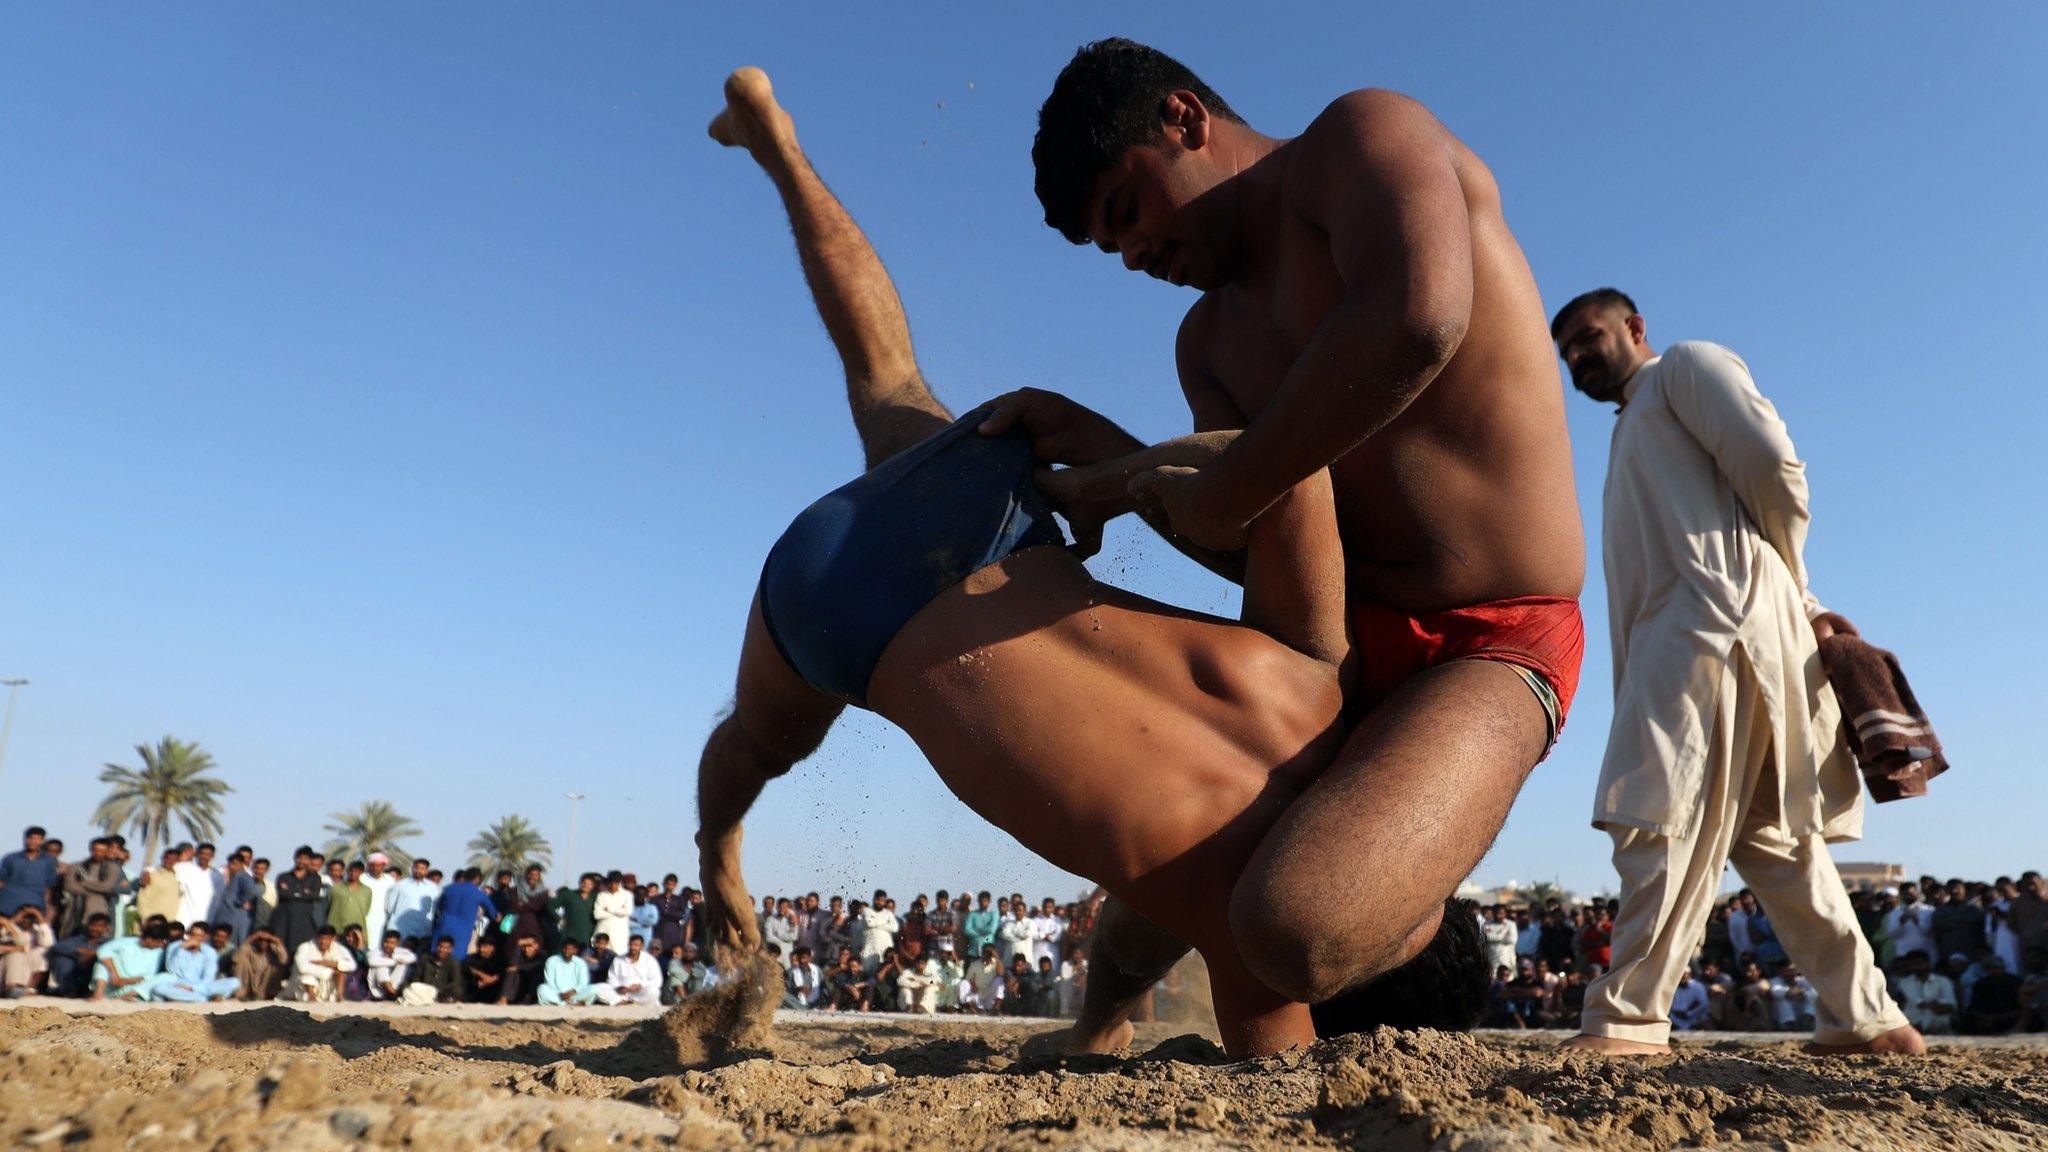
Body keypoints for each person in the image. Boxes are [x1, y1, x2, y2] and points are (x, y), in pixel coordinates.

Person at [695, 66, 1492, 1057]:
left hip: (989, 524)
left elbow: (1271, 475)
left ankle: (780, 148)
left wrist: (1112, 473)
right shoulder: (1264, 961)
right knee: (753, 747)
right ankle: (719, 851)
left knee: (887, 374)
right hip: (846, 613)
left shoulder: (1313, 677)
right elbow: (1283, 1030)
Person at [1020, 39, 1585, 1048]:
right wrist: (1128, 471)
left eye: (1127, 213)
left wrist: (1208, 474)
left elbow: (1415, 322)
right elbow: (1256, 549)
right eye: (1112, 250)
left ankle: (1406, 911)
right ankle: (1099, 1024)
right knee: (1166, 850)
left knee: (1292, 928)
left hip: (1491, 644)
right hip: (1337, 649)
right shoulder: (1207, 341)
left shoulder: (1358, 137)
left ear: (1184, 122)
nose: (1134, 255)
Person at [1552, 288, 1921, 1058]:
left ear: (1636, 327)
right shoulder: (1632, 428)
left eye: (1589, 337)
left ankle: (1627, 1019)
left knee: (1662, 815)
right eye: (1568, 352)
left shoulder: (1684, 367)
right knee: (1779, 846)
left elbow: (1770, 461)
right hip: (1707, 634)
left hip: (1712, 631)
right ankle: (1870, 1020)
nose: (1579, 357)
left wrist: (1788, 584)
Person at [153, 922, 241, 1002]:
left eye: (199, 936)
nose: (194, 938)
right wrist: (181, 949)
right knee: (159, 989)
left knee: (234, 982)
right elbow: (171, 971)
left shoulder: (209, 952)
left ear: (205, 937)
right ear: (188, 934)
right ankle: (202, 999)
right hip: (179, 984)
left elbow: (208, 977)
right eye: (192, 934)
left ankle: (195, 997)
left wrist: (192, 988)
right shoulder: (175, 947)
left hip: (200, 987)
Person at [91, 921, 171, 1001]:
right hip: (110, 982)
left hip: (131, 987)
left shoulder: (159, 953)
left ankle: (124, 998)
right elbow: (102, 951)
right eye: (159, 941)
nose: (161, 944)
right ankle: (98, 994)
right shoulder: (127, 942)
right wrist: (114, 975)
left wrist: (124, 982)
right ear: (149, 939)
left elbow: (148, 976)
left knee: (166, 977)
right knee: (101, 964)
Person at [270, 848, 326, 960]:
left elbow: (314, 895)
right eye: (300, 858)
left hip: (304, 922)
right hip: (284, 921)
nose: (302, 861)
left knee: (301, 952)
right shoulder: (283, 876)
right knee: (281, 954)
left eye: (306, 859)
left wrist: (292, 892)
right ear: (295, 858)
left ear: (310, 860)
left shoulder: (315, 878)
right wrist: (303, 893)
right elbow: (282, 894)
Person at [432, 868, 497, 960]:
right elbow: (495, 915)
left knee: (436, 954)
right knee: (457, 959)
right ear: (477, 879)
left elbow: (438, 908)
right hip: (463, 931)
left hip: (443, 926)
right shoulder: (479, 894)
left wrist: (434, 926)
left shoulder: (448, 889)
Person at [45, 913, 113, 998]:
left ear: (106, 928)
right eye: (92, 925)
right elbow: (55, 948)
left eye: (99, 926)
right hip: (76, 974)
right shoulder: (78, 940)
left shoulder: (109, 943)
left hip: (94, 976)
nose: (95, 928)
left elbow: (113, 955)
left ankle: (95, 992)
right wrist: (77, 952)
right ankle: (70, 991)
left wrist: (93, 954)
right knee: (62, 959)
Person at [1892, 950, 1957, 1035]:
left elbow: (1951, 1005)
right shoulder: (1905, 982)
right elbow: (1918, 1003)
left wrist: (1940, 1006)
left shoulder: (1944, 981)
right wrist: (1937, 1004)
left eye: (1919, 963)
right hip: (1913, 1022)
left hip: (1939, 1023)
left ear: (1928, 963)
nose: (1916, 967)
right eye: (1912, 965)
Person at [1, 827, 60, 919]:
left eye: (37, 839)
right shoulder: (10, 858)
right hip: (8, 906)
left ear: (42, 841)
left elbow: (49, 886)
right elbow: (1, 880)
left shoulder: (48, 861)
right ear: (25, 839)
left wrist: (47, 909)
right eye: (30, 838)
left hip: (34, 907)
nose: (33, 841)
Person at [540, 937, 618, 1006]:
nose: (567, 951)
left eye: (570, 949)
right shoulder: (551, 961)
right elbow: (549, 981)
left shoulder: (580, 962)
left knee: (593, 988)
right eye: (565, 948)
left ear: (575, 951)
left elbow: (583, 982)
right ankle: (566, 1004)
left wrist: (572, 992)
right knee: (542, 989)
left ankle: (564, 1003)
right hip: (557, 995)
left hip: (575, 994)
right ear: (561, 949)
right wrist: (560, 993)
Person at [292, 923, 356, 1002]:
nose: (323, 942)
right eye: (321, 938)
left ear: (333, 938)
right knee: (307, 976)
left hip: (327, 987)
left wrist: (328, 963)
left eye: (327, 939)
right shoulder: (304, 947)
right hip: (304, 987)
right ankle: (312, 997)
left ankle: (339, 996)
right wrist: (328, 972)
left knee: (340, 973)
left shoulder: (339, 948)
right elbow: (302, 968)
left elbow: (352, 965)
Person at [208, 853, 260, 947]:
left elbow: (252, 891)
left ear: (242, 864)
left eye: (234, 864)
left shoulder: (243, 877)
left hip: (234, 918)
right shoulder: (232, 877)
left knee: (231, 945)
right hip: (225, 917)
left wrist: (240, 902)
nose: (231, 866)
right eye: (230, 864)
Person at [0, 906, 54, 996]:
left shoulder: (36, 930)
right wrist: (10, 922)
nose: (27, 919)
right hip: (7, 965)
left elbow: (48, 943)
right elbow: (19, 942)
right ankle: (12, 988)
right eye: (25, 916)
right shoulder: (10, 928)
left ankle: (29, 989)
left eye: (30, 917)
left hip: (25, 967)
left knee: (42, 953)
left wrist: (38, 916)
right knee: (16, 954)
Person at [386, 857, 440, 942]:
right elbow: (389, 907)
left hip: (423, 929)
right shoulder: (399, 885)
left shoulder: (433, 888)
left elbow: (435, 907)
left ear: (426, 871)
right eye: (416, 868)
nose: (418, 870)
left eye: (422, 868)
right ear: (412, 868)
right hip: (402, 928)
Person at [231, 928, 291, 1000]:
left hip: (265, 988)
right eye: (260, 940)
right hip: (249, 986)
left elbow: (284, 961)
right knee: (241, 962)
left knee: (276, 965)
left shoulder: (274, 952)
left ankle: (269, 994)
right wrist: (251, 939)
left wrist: (278, 942)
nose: (263, 942)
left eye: (266, 941)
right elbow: (235, 958)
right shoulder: (249, 949)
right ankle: (240, 994)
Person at [404, 936, 462, 1005]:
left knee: (457, 990)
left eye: (445, 948)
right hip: (424, 989)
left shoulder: (454, 962)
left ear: (450, 950)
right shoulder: (425, 958)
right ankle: (428, 1000)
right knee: (406, 987)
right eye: (440, 946)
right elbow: (415, 977)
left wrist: (440, 990)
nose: (441, 950)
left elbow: (456, 981)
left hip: (441, 991)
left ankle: (431, 999)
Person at [607, 934, 661, 1006]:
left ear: (642, 946)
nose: (633, 947)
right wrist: (618, 988)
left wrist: (640, 985)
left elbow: (657, 981)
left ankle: (635, 1003)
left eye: (636, 945)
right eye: (631, 945)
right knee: (600, 988)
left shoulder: (650, 960)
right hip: (622, 994)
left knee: (654, 991)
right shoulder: (618, 959)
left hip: (641, 993)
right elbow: (612, 977)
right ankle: (624, 1002)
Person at [551, 874, 600, 950]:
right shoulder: (569, 895)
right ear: (579, 882)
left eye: (589, 884)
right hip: (569, 935)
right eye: (584, 883)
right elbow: (550, 905)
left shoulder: (596, 898)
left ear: (593, 886)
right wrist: (558, 919)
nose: (586, 885)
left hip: (587, 938)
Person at [360, 853, 400, 946]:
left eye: (378, 866)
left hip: (382, 916)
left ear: (384, 866)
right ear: (368, 866)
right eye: (372, 865)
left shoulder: (389, 880)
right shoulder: (362, 878)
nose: (375, 868)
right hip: (365, 916)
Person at [326, 860, 373, 937]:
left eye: (357, 871)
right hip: (336, 929)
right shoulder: (336, 888)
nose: (353, 874)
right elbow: (328, 906)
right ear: (347, 871)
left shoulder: (367, 891)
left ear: (361, 872)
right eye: (351, 871)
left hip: (356, 930)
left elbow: (366, 910)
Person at [366, 931, 416, 1001]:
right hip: (377, 989)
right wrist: (394, 961)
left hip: (394, 984)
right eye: (386, 942)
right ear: (382, 941)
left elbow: (413, 958)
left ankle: (393, 992)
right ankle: (392, 992)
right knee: (381, 966)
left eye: (392, 943)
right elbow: (370, 961)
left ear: (398, 944)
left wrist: (393, 957)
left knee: (404, 965)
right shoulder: (375, 952)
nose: (388, 945)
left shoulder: (400, 951)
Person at [593, 872, 633, 949]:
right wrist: (617, 913)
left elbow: (628, 912)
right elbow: (597, 915)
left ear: (620, 883)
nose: (613, 885)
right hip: (603, 929)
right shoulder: (601, 895)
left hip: (619, 931)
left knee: (618, 953)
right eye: (611, 882)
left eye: (616, 883)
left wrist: (609, 909)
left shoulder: (627, 895)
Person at [652, 875, 691, 953]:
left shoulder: (679, 900)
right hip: (658, 931)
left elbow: (681, 915)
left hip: (673, 932)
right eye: (667, 884)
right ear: (663, 883)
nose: (669, 887)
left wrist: (667, 913)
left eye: (671, 884)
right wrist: (668, 914)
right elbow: (654, 914)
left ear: (675, 885)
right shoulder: (656, 899)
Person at [462, 936, 505, 1003]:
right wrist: (480, 974)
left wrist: (489, 980)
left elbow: (502, 973)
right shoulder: (472, 958)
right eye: (480, 946)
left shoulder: (498, 960)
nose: (481, 949)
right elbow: (466, 967)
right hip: (473, 990)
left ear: (492, 948)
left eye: (484, 947)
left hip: (492, 991)